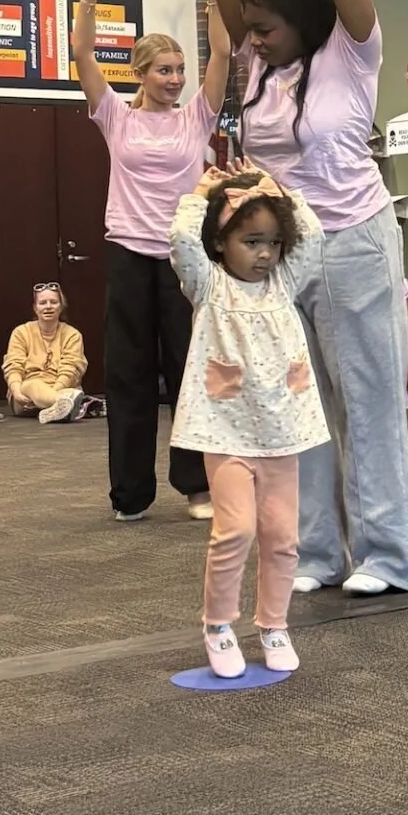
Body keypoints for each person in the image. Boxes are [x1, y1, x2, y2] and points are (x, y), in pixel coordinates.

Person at [201, 0, 408, 596]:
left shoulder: (351, 51)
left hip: (358, 240)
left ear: (297, 17)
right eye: (246, 29)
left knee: (368, 404)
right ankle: (321, 555)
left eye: (262, 28)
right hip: (286, 254)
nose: (250, 39)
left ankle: (389, 558)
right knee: (299, 409)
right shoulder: (259, 67)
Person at [170, 166, 327, 678]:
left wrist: (280, 190)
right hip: (226, 431)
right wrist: (198, 195)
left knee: (282, 537)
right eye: (251, 241)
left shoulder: (283, 284)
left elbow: (316, 237)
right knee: (234, 529)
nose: (265, 254)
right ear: (220, 242)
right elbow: (180, 242)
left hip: (283, 432)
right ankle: (218, 625)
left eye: (273, 243)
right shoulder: (208, 285)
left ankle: (274, 624)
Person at [73, 0, 214, 522]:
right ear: (141, 73)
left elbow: (225, 54)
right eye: (164, 70)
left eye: (180, 69)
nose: (176, 78)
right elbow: (83, 54)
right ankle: (129, 495)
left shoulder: (196, 117)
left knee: (189, 371)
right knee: (129, 376)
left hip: (185, 257)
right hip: (128, 255)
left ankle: (197, 486)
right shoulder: (115, 117)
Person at [3, 281, 87, 422]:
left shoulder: (72, 334)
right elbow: (13, 366)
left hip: (62, 387)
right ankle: (61, 405)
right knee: (33, 384)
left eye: (53, 302)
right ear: (35, 308)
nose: (48, 306)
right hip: (26, 396)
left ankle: (52, 409)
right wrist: (16, 391)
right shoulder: (21, 332)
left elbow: (71, 369)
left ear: (61, 307)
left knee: (72, 392)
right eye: (42, 303)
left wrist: (52, 391)